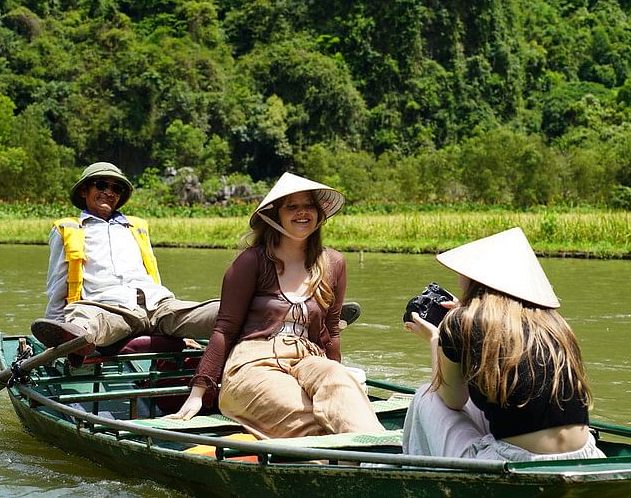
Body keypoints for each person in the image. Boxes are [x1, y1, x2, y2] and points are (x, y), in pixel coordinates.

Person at [168, 172, 384, 439]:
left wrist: (338, 371)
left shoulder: (333, 263)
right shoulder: (251, 262)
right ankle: (336, 461)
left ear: (319, 213)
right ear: (276, 215)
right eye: (292, 206)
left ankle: (379, 453)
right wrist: (198, 393)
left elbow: (332, 330)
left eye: (308, 206)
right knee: (303, 415)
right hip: (255, 361)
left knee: (340, 383)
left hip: (309, 356)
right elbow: (224, 329)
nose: (302, 213)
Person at [402, 227, 605, 461]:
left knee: (425, 397)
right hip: (587, 455)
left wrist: (436, 340)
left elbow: (452, 400)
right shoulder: (552, 322)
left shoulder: (460, 322)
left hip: (515, 460)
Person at [30, 162, 219, 362]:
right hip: (110, 309)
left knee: (224, 312)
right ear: (85, 190)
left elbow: (151, 274)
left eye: (116, 188)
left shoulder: (135, 227)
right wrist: (53, 327)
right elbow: (58, 283)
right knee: (82, 318)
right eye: (101, 185)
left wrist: (184, 334)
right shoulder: (69, 229)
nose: (109, 192)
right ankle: (72, 340)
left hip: (158, 306)